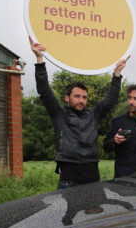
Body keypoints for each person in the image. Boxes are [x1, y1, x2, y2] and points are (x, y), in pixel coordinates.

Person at [29, 36, 129, 189]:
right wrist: (39, 59)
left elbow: (111, 98)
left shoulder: (93, 114)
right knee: (69, 214)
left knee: (94, 214)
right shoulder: (59, 113)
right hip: (69, 180)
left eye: (84, 97)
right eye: (77, 96)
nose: (81, 100)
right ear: (67, 98)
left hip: (93, 179)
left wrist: (117, 73)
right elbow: (44, 90)